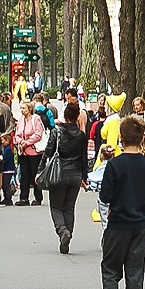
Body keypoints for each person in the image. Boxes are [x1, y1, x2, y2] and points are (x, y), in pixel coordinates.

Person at [96, 114, 145, 289]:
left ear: (121, 139)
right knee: (135, 273)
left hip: (117, 224)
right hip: (140, 224)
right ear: (142, 138)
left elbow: (105, 195)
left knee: (111, 270)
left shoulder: (114, 165)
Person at [47, 99, 90, 253]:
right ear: (78, 116)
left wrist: (40, 172)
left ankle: (62, 230)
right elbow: (84, 158)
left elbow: (48, 153)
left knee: (56, 206)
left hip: (59, 173)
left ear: (65, 116)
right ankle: (68, 234)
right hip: (75, 174)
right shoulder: (81, 136)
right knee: (69, 207)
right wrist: (85, 177)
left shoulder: (56, 132)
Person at [13, 100, 47, 205]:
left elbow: (38, 134)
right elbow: (17, 134)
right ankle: (24, 197)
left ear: (30, 109)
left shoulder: (36, 119)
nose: (22, 111)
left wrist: (27, 143)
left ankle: (38, 197)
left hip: (34, 151)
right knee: (24, 174)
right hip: (23, 151)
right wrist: (21, 142)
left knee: (34, 174)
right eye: (21, 108)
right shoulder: (20, 120)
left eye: (24, 108)